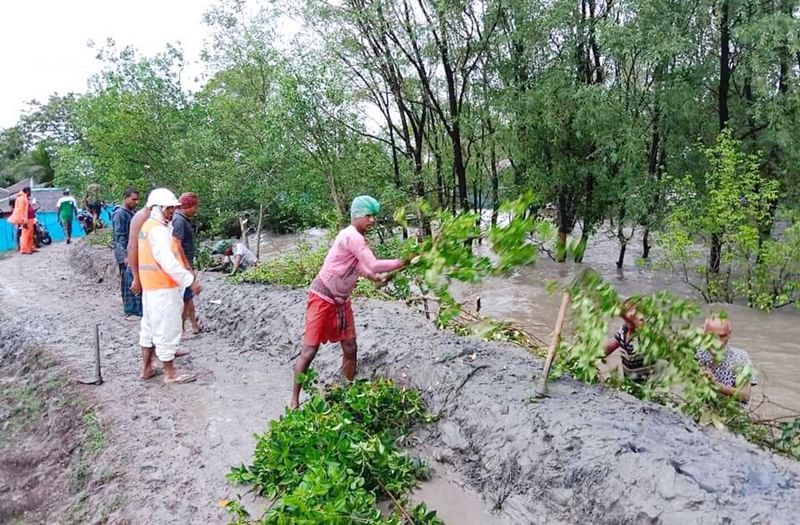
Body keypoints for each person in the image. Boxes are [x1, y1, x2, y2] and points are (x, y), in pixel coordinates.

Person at [289, 195, 412, 409]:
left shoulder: (357, 239)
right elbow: (373, 265)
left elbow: (364, 269)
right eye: (368, 216)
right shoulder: (351, 236)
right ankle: (294, 400)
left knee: (350, 347)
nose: (372, 220)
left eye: (374, 216)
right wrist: (402, 261)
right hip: (322, 297)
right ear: (356, 216)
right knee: (309, 351)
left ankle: (349, 388)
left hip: (341, 301)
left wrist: (379, 279)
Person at [138, 188, 201, 384]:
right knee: (167, 330)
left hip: (151, 288)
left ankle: (147, 368)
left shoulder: (147, 227)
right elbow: (168, 262)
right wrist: (189, 280)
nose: (172, 212)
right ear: (159, 208)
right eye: (169, 209)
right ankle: (170, 373)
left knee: (148, 329)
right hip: (163, 288)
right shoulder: (158, 231)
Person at [696, 316, 757, 403]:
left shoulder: (740, 357)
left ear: (729, 335)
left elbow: (745, 396)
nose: (718, 341)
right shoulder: (698, 353)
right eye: (713, 336)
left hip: (730, 411)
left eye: (722, 336)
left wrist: (716, 385)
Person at [173, 192, 201, 335]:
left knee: (188, 297)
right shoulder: (179, 221)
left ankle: (194, 325)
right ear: (188, 206)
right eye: (195, 207)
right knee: (184, 298)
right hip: (182, 265)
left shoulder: (182, 219)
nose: (196, 210)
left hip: (185, 263)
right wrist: (187, 268)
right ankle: (182, 328)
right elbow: (177, 245)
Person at [602, 299, 650, 382]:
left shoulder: (646, 336)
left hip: (647, 387)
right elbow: (607, 348)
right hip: (630, 384)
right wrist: (591, 352)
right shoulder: (624, 330)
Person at [112, 187, 142, 317]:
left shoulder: (130, 212)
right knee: (128, 281)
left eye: (137, 199)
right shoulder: (120, 214)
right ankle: (131, 309)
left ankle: (135, 308)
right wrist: (124, 255)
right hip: (124, 252)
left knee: (132, 279)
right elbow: (120, 236)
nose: (136, 202)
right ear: (125, 198)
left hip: (132, 251)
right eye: (133, 199)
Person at [9, 187, 35, 254]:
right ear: (27, 191)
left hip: (30, 218)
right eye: (30, 191)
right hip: (26, 219)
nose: (30, 193)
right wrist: (24, 220)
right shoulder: (22, 198)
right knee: (25, 234)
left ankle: (30, 248)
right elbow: (22, 210)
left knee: (29, 234)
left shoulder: (24, 198)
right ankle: (24, 249)